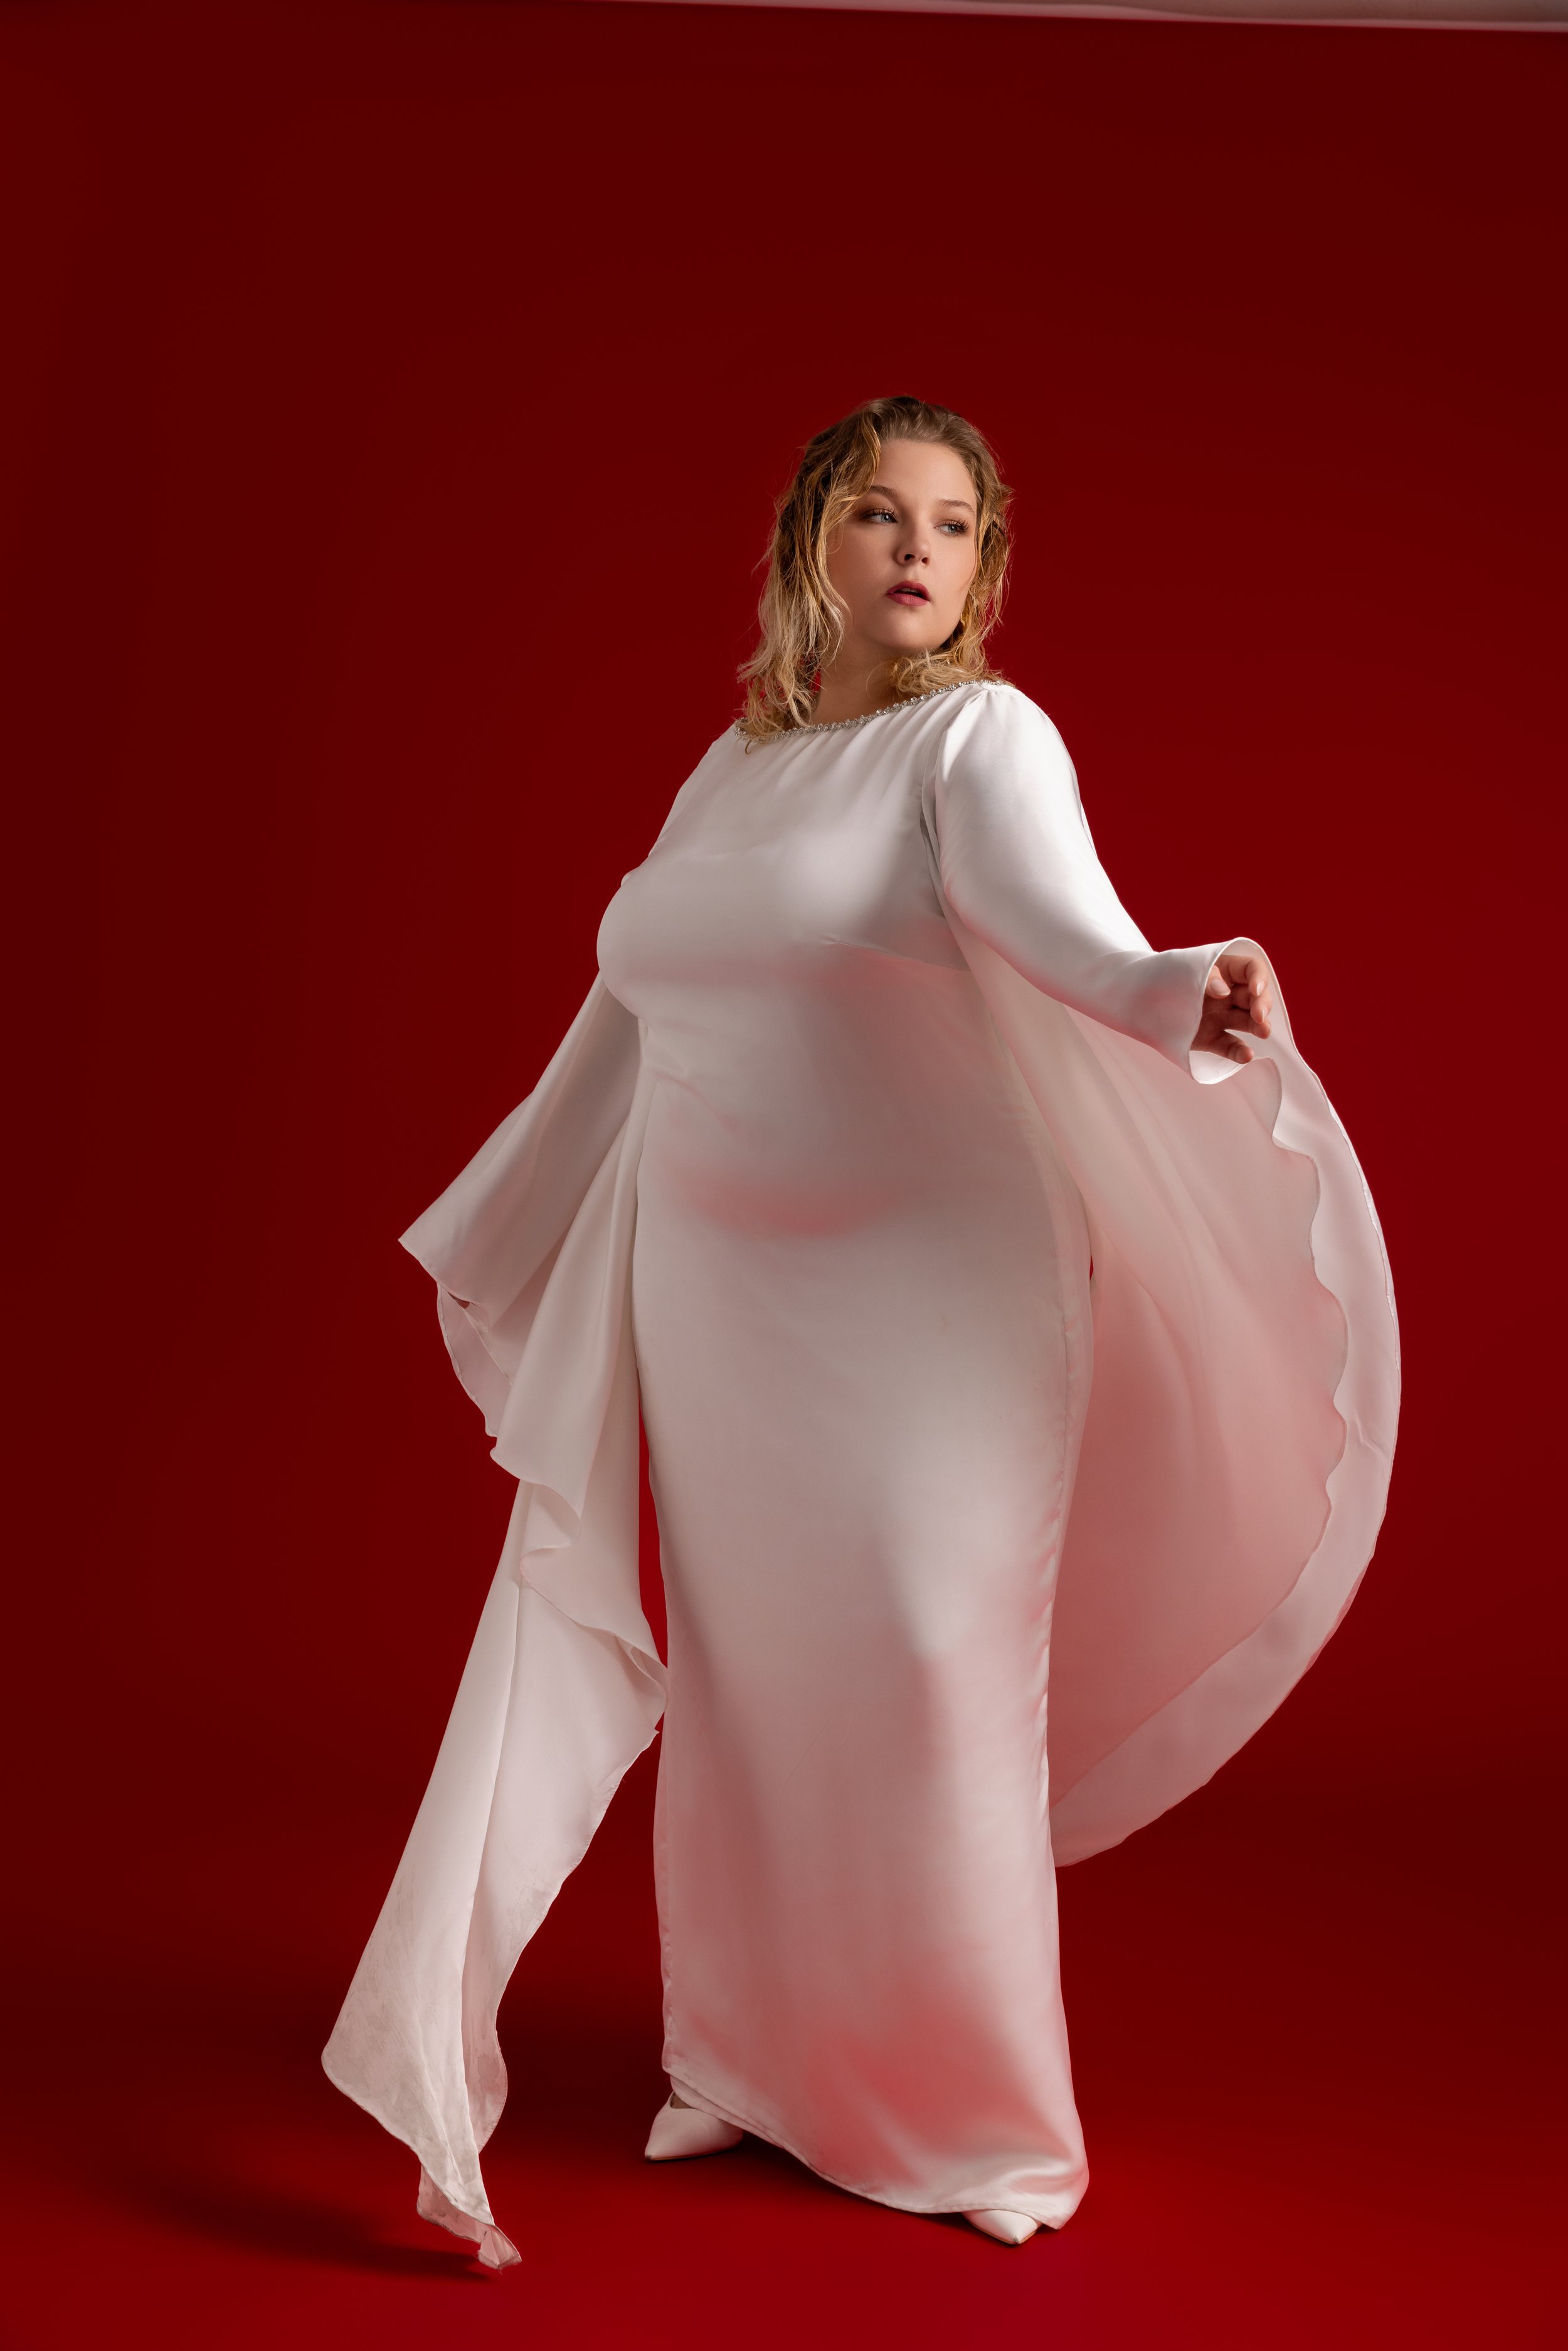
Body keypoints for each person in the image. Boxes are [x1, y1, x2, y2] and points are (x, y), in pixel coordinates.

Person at [324, 397, 1398, 2265]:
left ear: (982, 568)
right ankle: (741, 2060)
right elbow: (645, 993)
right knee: (751, 1686)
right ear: (810, 541)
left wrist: (1178, 989)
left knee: (924, 1661)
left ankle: (979, 2117)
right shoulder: (732, 765)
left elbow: (1067, 932)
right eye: (881, 515)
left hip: (936, 1295)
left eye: (957, 526)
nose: (919, 550)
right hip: (727, 1298)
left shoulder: (976, 738)